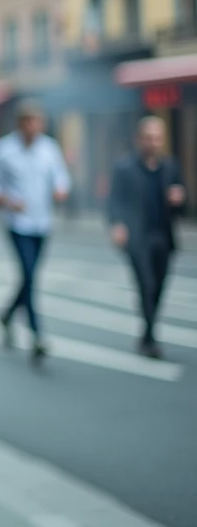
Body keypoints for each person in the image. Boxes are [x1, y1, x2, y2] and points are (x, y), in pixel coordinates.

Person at [0, 102, 71, 361]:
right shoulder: (4, 150)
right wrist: (7, 201)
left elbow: (61, 178)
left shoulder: (49, 149)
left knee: (30, 276)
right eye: (29, 122)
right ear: (20, 125)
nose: (34, 127)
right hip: (17, 224)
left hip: (42, 223)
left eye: (38, 122)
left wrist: (61, 190)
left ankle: (7, 316)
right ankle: (36, 335)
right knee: (30, 276)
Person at [109, 116, 187, 359]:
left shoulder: (169, 167)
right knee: (146, 284)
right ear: (139, 139)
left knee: (159, 287)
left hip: (163, 235)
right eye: (149, 137)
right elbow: (115, 201)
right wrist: (117, 225)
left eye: (157, 138)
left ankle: (147, 332)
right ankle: (151, 339)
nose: (153, 143)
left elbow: (182, 203)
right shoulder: (125, 168)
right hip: (138, 236)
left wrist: (179, 199)